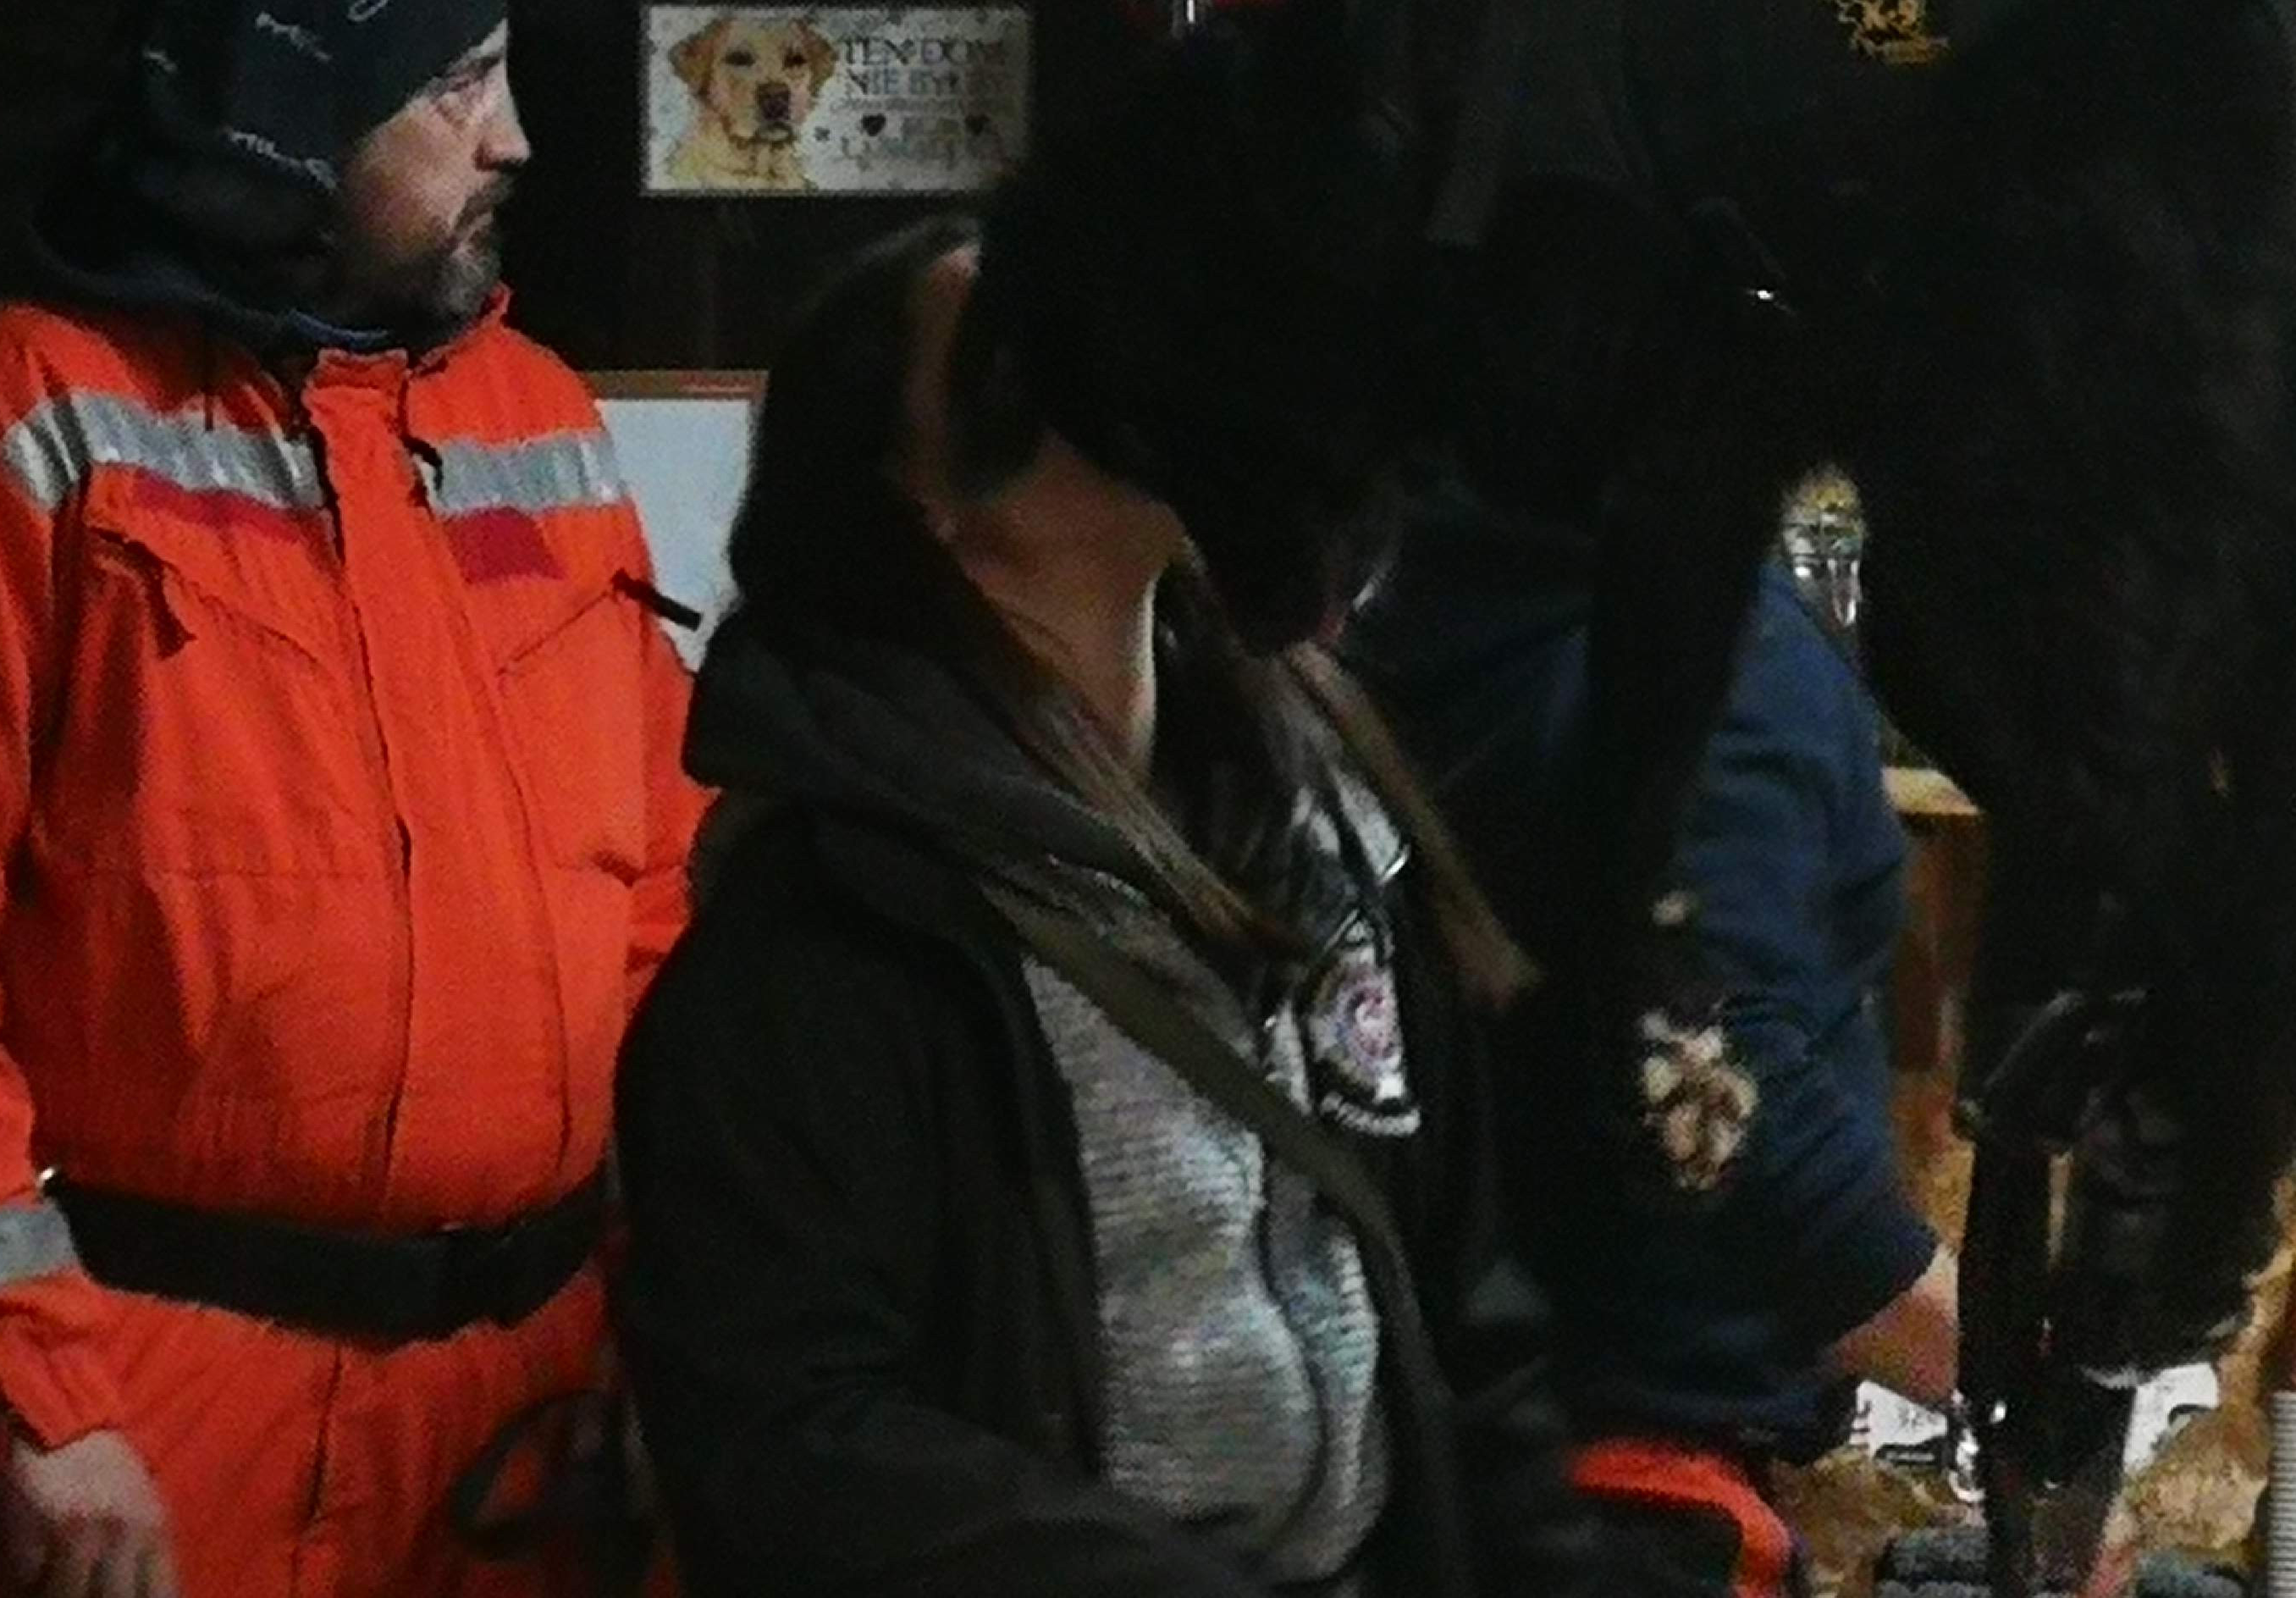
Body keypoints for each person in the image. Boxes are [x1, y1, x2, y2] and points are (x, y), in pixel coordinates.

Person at [612, 216, 1599, 1598]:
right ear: (919, 497)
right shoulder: (830, 935)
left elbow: (1463, 1308)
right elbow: (792, 1446)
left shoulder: (1321, 826)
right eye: (1031, 359)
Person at [0, 0, 700, 1598]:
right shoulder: (45, 409)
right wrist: (38, 1397)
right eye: (457, 86)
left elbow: (662, 919)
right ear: (288, 121)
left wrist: (670, 1329)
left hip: (528, 1418)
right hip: (156, 1424)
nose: (514, 138)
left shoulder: (541, 421)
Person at [1344, 448, 1957, 1598]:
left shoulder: (1424, 584)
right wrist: (2024, 1393)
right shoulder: (1714, 642)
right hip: (1636, 1496)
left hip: (1457, 1472)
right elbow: (1718, 1091)